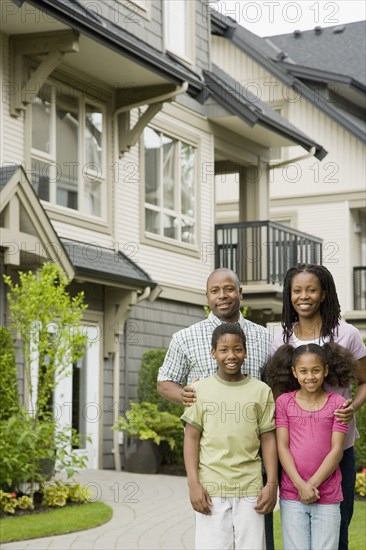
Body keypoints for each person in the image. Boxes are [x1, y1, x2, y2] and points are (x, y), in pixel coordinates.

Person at [157, 267, 276, 549]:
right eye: (215, 291)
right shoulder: (185, 337)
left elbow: (271, 390)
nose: (223, 296)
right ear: (207, 296)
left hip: (252, 463)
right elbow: (164, 382)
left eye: (229, 289)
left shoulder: (263, 337)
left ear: (240, 292)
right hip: (212, 465)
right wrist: (187, 396)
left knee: (257, 539)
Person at [270, 263, 366, 550]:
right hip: (295, 456)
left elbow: (364, 382)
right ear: (289, 296)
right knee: (296, 533)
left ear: (324, 294)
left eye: (311, 289)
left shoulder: (346, 334)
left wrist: (353, 407)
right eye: (296, 290)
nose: (304, 296)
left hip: (339, 450)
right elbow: (277, 393)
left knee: (337, 532)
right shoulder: (280, 339)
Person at [181, 323, 277, 550]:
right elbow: (191, 438)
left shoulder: (261, 391)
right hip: (211, 489)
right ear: (213, 353)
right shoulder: (199, 390)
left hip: (250, 489)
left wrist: (271, 482)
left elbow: (268, 439)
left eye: (238, 349)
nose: (231, 355)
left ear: (245, 352)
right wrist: (193, 484)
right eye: (224, 350)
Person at [266, 342, 356, 550]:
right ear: (294, 373)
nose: (310, 376)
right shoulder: (284, 403)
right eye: (303, 371)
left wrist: (311, 485)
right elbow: (282, 447)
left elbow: (336, 451)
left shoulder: (338, 404)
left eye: (316, 370)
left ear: (325, 371)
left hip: (328, 495)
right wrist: (300, 485)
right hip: (292, 493)